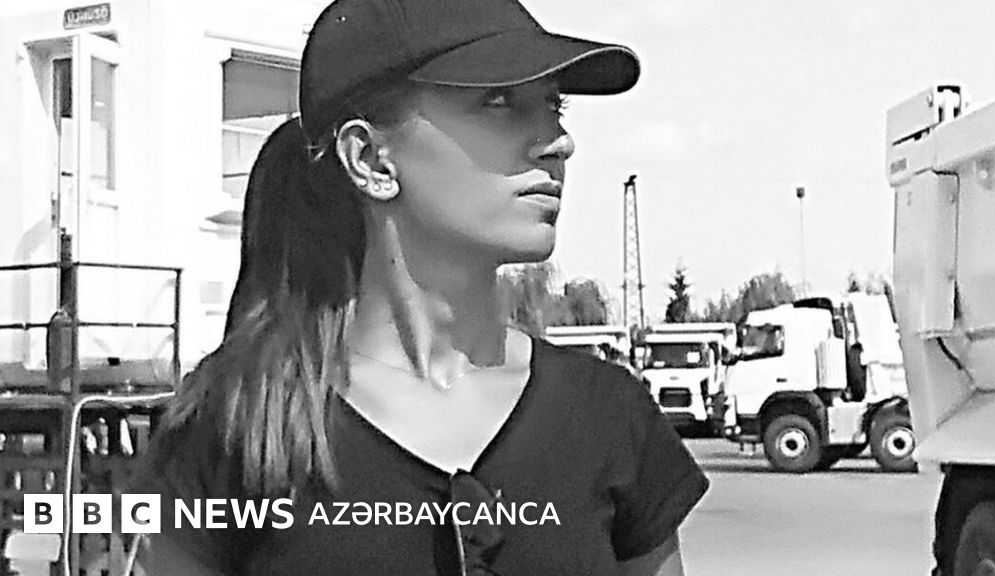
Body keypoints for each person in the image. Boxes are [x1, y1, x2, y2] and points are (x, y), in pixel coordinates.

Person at [135, 0, 709, 574]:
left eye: (553, 105)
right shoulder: (237, 429)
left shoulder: (608, 416)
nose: (559, 142)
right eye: (499, 101)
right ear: (371, 160)